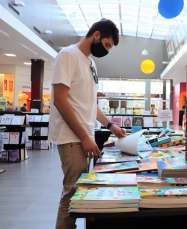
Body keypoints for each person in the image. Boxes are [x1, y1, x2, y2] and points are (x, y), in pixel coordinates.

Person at [48, 19, 127, 229]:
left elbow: (91, 104)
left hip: (84, 138)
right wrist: (84, 137)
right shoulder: (68, 55)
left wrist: (111, 126)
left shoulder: (91, 63)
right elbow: (59, 100)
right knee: (71, 195)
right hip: (72, 139)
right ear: (97, 35)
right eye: (108, 45)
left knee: (79, 194)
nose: (108, 50)